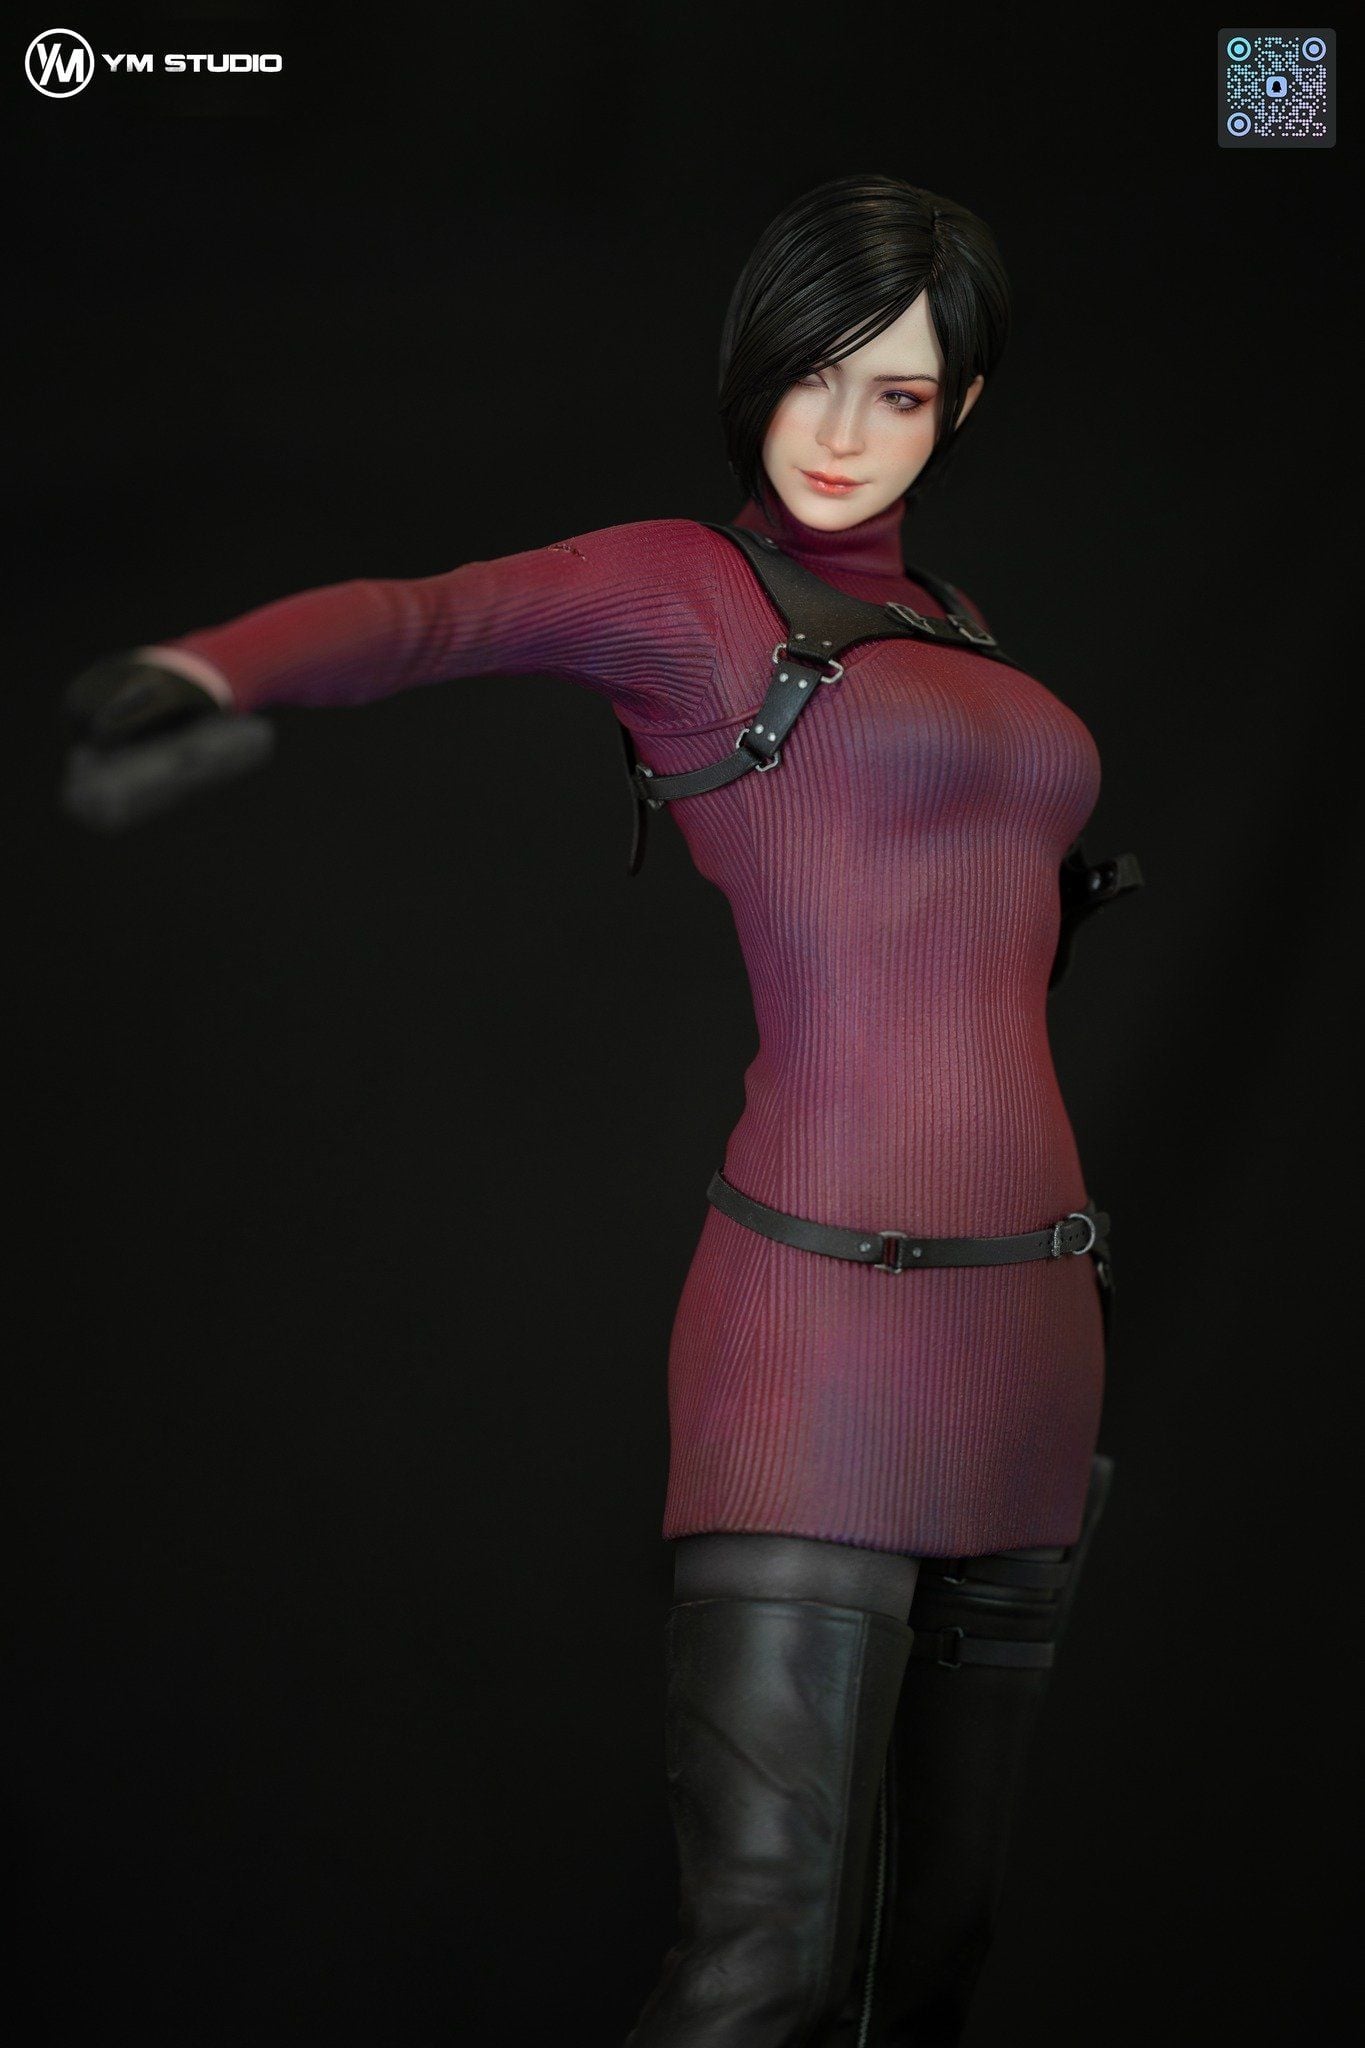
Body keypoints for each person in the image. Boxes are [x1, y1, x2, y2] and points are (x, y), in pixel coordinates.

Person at [63, 173, 1139, 2047]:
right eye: (810, 373)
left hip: (1032, 1333)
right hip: (822, 1326)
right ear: (752, 368)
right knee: (764, 1973)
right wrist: (207, 668)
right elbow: (430, 617)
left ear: (958, 406)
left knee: (929, 1968)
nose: (839, 430)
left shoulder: (956, 621)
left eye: (896, 390)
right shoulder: (686, 592)